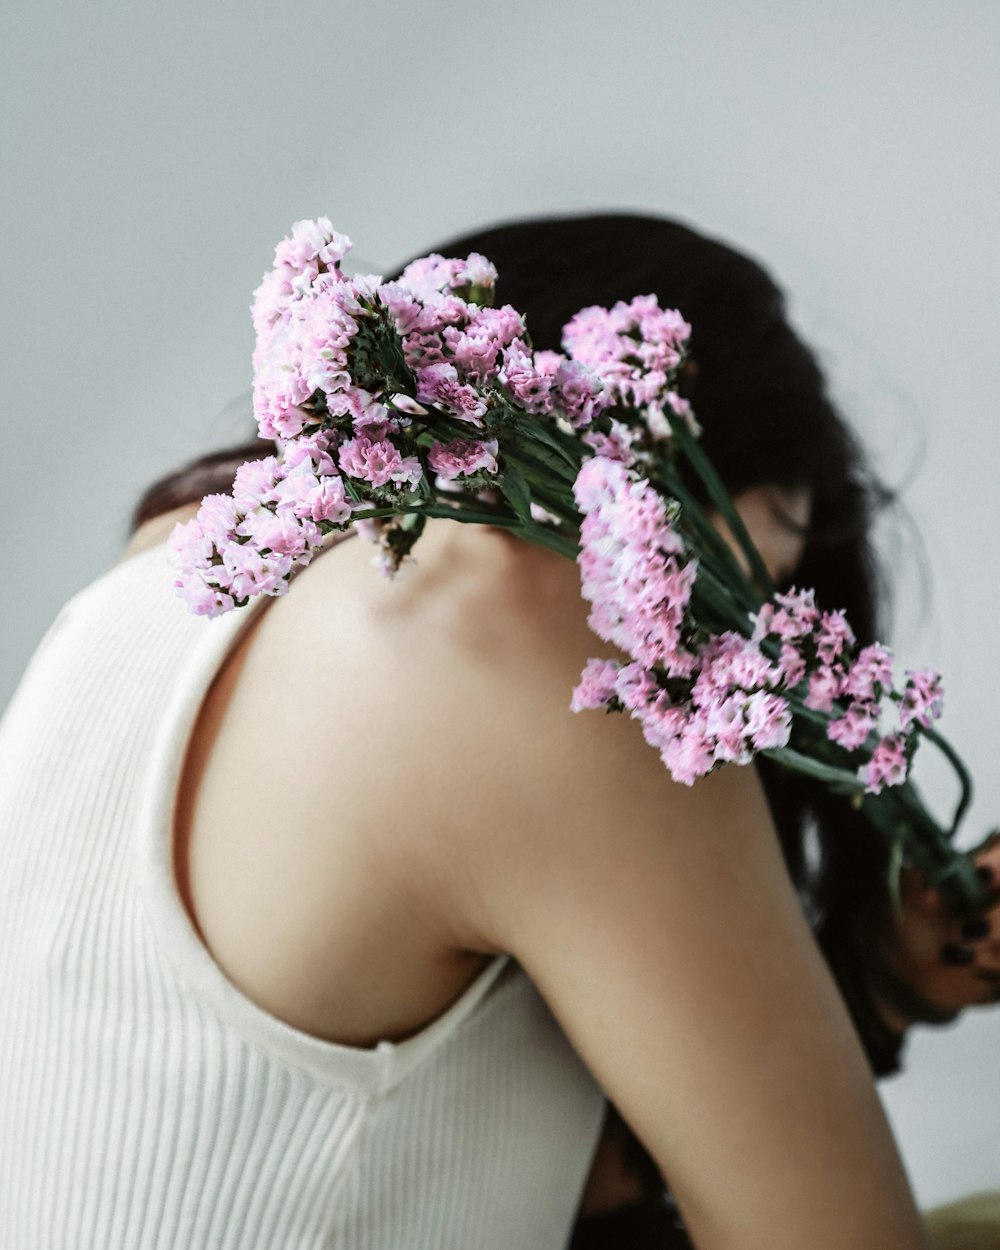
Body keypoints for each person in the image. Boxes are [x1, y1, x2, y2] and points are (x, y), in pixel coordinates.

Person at [1, 212, 996, 1249]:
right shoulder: (544, 639)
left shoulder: (172, 557)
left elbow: (417, 1161)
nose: (722, 661)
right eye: (746, 590)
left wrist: (876, 991)